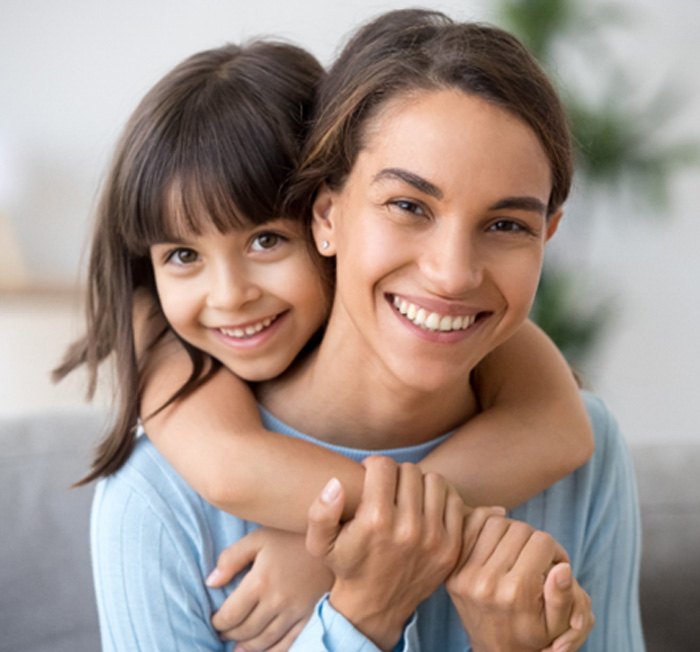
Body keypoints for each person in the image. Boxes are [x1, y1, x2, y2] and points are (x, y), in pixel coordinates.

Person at [55, 29, 602, 652]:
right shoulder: (157, 488)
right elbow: (228, 469)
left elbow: (565, 426)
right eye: (407, 205)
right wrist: (361, 603)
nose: (229, 295)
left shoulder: (566, 428)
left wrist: (341, 543)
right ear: (328, 216)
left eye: (265, 240)